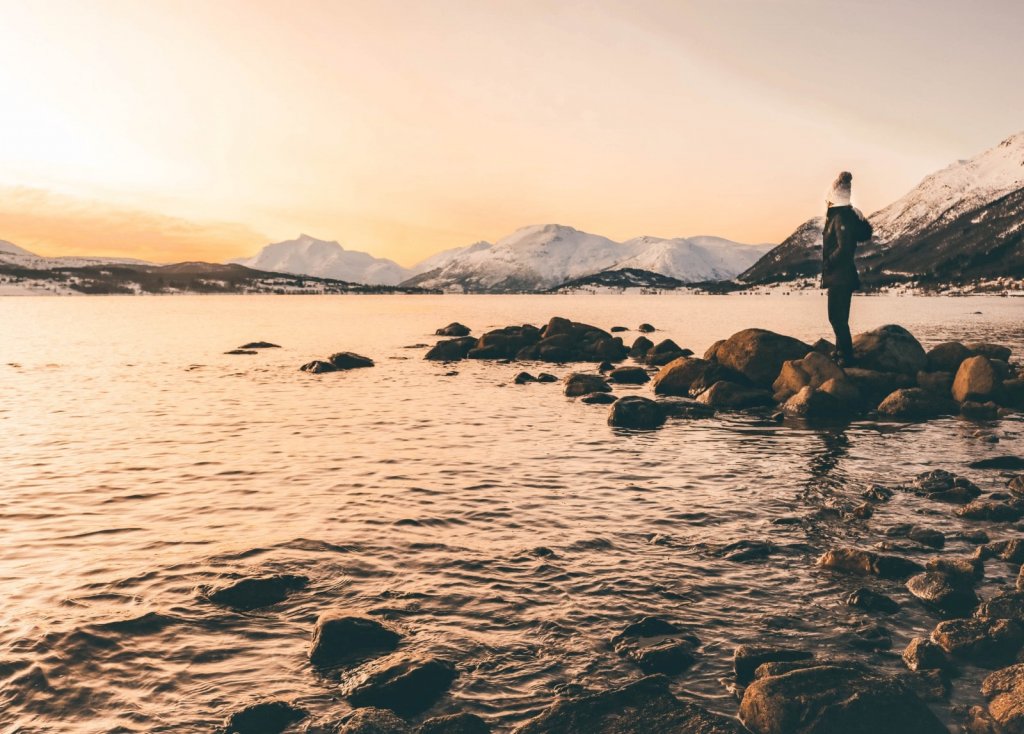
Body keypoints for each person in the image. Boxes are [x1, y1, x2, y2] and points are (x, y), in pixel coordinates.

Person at [822, 171, 872, 366]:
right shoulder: (842, 216)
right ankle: (840, 351)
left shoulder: (841, 217)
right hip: (842, 276)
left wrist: (828, 263)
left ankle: (846, 355)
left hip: (840, 275)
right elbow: (860, 236)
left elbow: (844, 248)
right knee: (838, 317)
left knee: (836, 317)